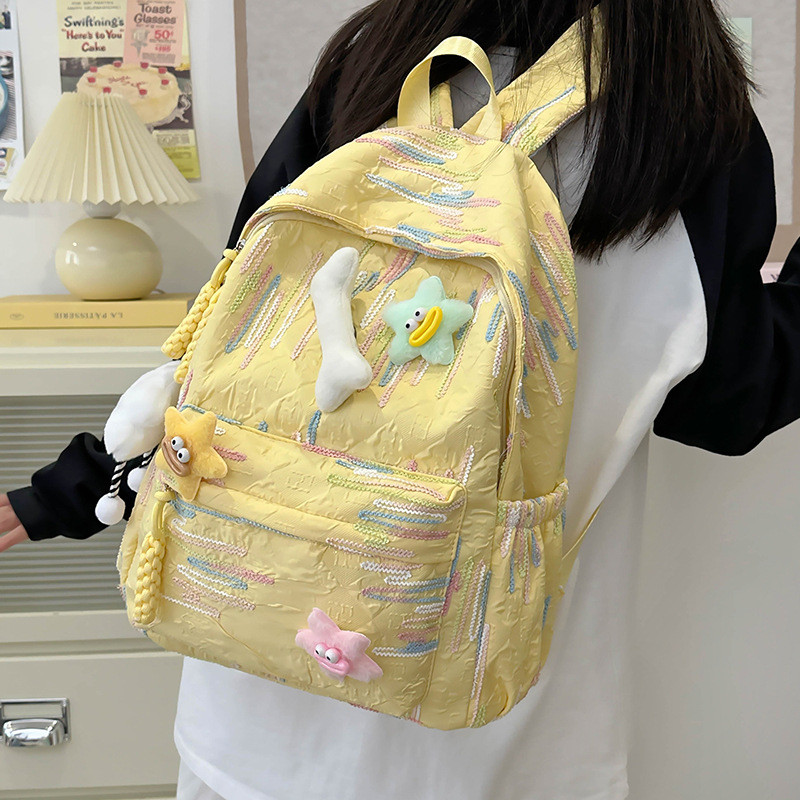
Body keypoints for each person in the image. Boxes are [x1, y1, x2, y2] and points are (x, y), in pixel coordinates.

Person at [2, 1, 799, 798]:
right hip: (507, 741)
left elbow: (223, 349)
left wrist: (67, 492)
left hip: (250, 710)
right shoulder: (688, 131)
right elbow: (728, 407)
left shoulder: (372, 75)